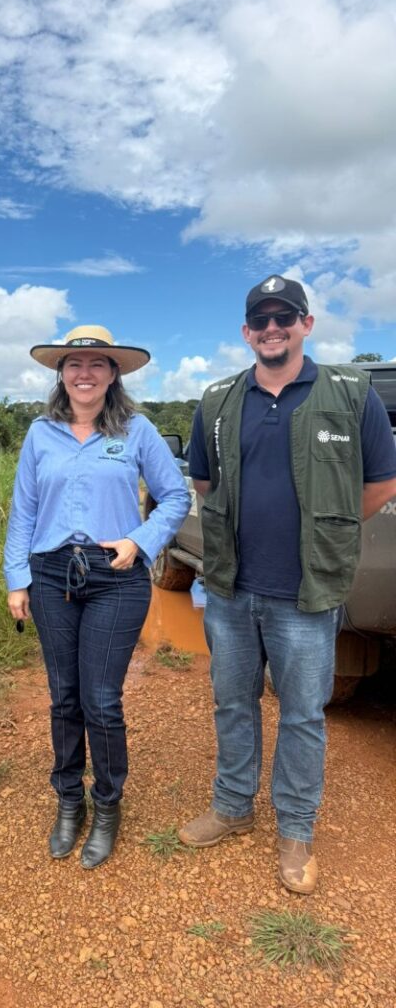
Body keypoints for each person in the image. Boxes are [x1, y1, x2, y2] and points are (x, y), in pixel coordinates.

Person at [178, 275, 396, 894]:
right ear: (247, 332)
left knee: (302, 713)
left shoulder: (351, 395)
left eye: (285, 317)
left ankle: (297, 828)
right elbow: (202, 481)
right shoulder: (218, 399)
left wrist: (327, 528)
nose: (273, 329)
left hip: (306, 594)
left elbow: (382, 483)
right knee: (232, 701)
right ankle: (232, 807)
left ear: (306, 324)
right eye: (262, 320)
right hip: (229, 588)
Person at [4, 325, 190, 868]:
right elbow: (24, 512)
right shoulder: (41, 433)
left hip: (116, 574)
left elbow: (175, 494)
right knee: (63, 696)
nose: (84, 374)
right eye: (74, 364)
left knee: (101, 700)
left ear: (114, 374)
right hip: (52, 574)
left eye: (97, 364)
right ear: (61, 374)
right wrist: (17, 578)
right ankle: (69, 801)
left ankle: (107, 805)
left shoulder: (136, 431)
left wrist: (142, 540)